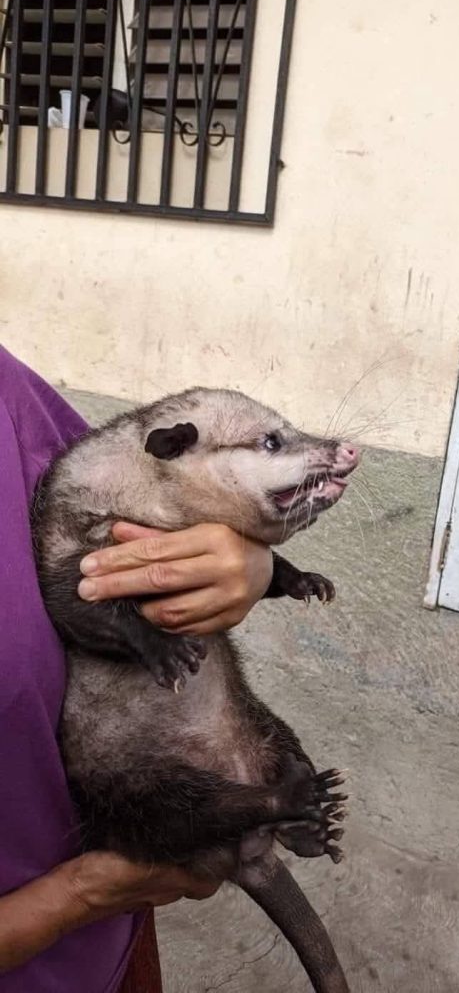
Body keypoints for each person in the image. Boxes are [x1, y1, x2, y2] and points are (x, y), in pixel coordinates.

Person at [0, 346, 275, 992]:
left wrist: (243, 565)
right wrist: (83, 893)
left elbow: (147, 499)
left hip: (110, 946)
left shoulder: (6, 390)